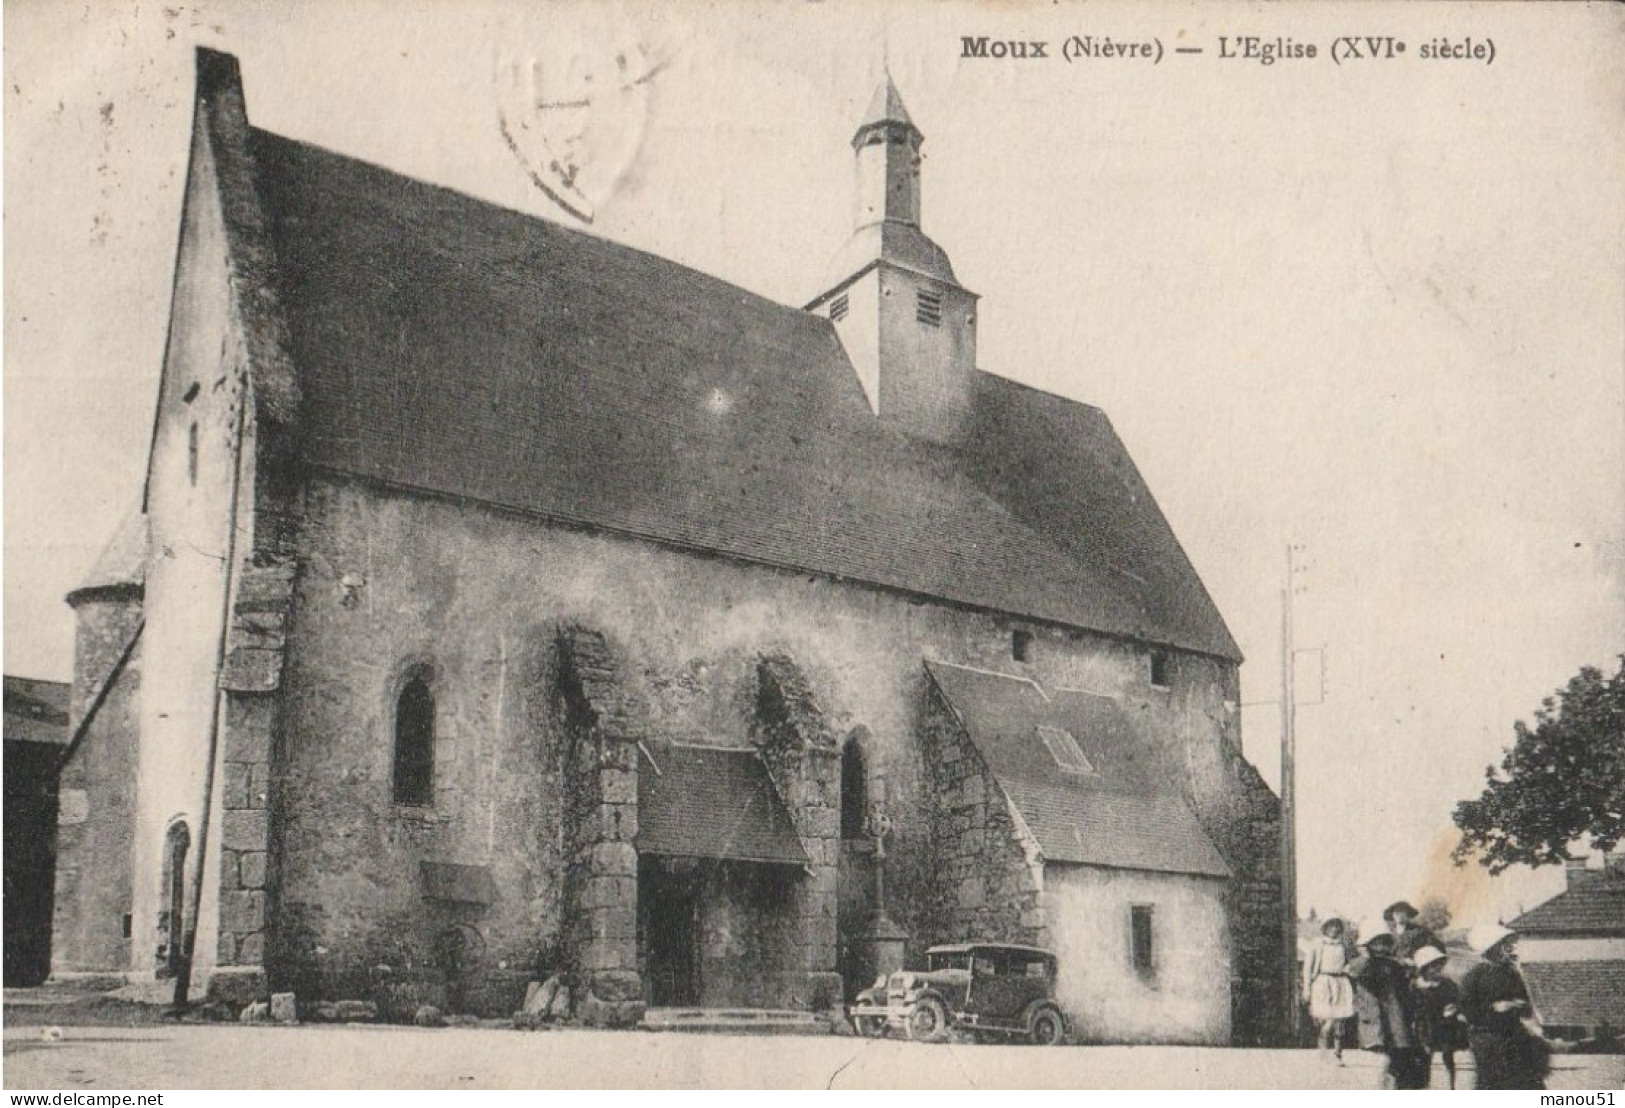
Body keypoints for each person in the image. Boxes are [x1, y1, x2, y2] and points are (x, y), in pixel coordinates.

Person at [1460, 924, 1550, 1089]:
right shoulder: (1474, 977)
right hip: (1487, 1039)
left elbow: (1525, 1003)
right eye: (1505, 944)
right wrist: (1495, 1008)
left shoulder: (1511, 973)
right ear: (1492, 947)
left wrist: (1529, 1016)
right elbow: (1468, 1011)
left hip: (1515, 1035)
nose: (1510, 948)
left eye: (1510, 944)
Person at [1349, 918, 1430, 1089]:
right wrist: (1365, 955)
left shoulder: (1394, 965)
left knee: (1397, 1062)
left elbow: (1404, 988)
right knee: (1380, 1064)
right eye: (1376, 943)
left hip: (1395, 1019)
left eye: (1384, 943)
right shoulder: (1362, 964)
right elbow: (1356, 971)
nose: (1381, 948)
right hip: (1374, 1020)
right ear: (1368, 945)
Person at [1411, 945, 1469, 1089]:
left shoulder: (1447, 985)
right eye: (1432, 966)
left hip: (1445, 1030)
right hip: (1423, 1030)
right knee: (1423, 1065)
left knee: (1446, 1062)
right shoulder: (1414, 987)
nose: (1437, 969)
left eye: (1439, 965)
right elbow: (1412, 1009)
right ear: (1423, 968)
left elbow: (1458, 1002)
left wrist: (1454, 1010)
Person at [1302, 917, 1356, 1063]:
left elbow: (1353, 962)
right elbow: (1307, 968)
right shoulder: (1317, 945)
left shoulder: (1344, 945)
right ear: (1325, 928)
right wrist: (1306, 988)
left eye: (1336, 926)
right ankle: (1323, 1051)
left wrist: (1349, 968)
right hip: (1322, 983)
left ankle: (1338, 1054)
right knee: (1326, 1021)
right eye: (1330, 926)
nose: (1334, 929)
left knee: (1340, 1021)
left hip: (1340, 983)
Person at [1384, 900, 1441, 968]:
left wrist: (1417, 960)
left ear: (1408, 914)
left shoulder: (1420, 932)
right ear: (1392, 915)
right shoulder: (1388, 935)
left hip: (1415, 970)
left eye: (1403, 912)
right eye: (1397, 912)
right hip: (1392, 970)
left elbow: (1435, 948)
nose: (1400, 915)